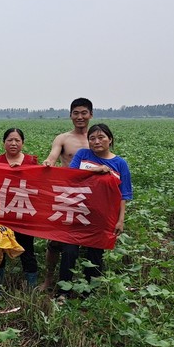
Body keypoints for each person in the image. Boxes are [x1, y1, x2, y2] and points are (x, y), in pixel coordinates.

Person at [59, 123, 132, 294]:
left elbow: (124, 194)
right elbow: (71, 176)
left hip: (102, 217)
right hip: (77, 211)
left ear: (110, 139)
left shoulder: (120, 163)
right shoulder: (83, 154)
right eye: (92, 138)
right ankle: (63, 291)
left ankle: (89, 292)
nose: (96, 141)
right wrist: (96, 170)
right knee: (69, 251)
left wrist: (120, 220)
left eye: (101, 137)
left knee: (95, 253)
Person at [39, 98, 93, 292]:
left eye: (84, 113)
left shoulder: (96, 139)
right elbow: (52, 157)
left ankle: (84, 281)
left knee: (89, 241)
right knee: (55, 241)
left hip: (91, 196)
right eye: (76, 113)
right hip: (67, 194)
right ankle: (48, 280)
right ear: (70, 115)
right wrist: (48, 163)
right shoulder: (62, 138)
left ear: (91, 115)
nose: (80, 117)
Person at [0, 128, 39, 291]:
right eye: (10, 140)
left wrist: (23, 172)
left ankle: (31, 289)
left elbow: (38, 186)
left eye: (17, 140)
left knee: (27, 251)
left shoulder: (31, 162)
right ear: (3, 143)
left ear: (23, 143)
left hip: (23, 213)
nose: (13, 143)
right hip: (1, 213)